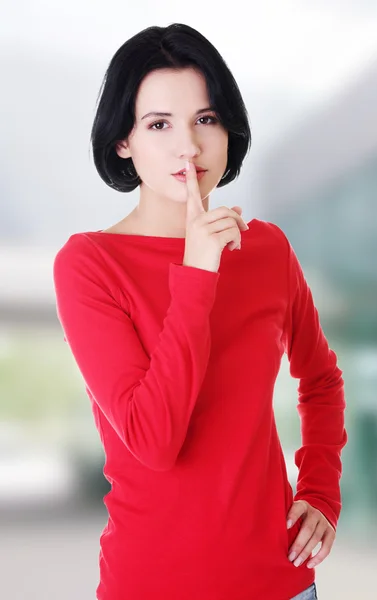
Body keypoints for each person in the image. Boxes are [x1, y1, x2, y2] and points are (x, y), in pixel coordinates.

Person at [52, 23, 347, 600]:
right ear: (123, 141)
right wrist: (199, 271)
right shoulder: (89, 265)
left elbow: (321, 379)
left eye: (206, 119)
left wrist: (321, 490)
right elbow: (154, 439)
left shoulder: (267, 249)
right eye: (158, 124)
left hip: (280, 585)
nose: (187, 145)